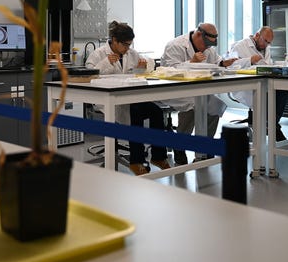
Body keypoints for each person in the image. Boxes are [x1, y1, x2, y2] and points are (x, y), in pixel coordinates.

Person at [86, 21, 170, 175]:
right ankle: (136, 161)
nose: (128, 48)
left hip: (129, 98)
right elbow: (89, 75)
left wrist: (143, 67)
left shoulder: (131, 53)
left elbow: (139, 75)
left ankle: (158, 156)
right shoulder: (98, 54)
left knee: (156, 111)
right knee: (135, 112)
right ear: (114, 40)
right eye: (125, 45)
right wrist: (105, 63)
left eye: (130, 45)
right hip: (108, 100)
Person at [160, 23, 238, 165]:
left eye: (210, 45)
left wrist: (223, 63)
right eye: (206, 44)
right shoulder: (175, 45)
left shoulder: (208, 48)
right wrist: (191, 62)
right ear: (197, 35)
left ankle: (205, 146)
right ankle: (179, 145)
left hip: (198, 89)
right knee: (193, 105)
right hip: (175, 89)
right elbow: (169, 70)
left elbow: (216, 62)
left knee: (216, 105)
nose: (207, 48)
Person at [228, 26, 288, 141]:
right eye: (265, 41)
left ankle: (270, 125)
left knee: (284, 91)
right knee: (269, 96)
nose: (267, 45)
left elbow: (267, 64)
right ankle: (273, 127)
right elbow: (230, 66)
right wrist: (249, 60)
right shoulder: (240, 46)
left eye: (269, 42)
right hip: (245, 85)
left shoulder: (266, 48)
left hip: (263, 82)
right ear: (257, 35)